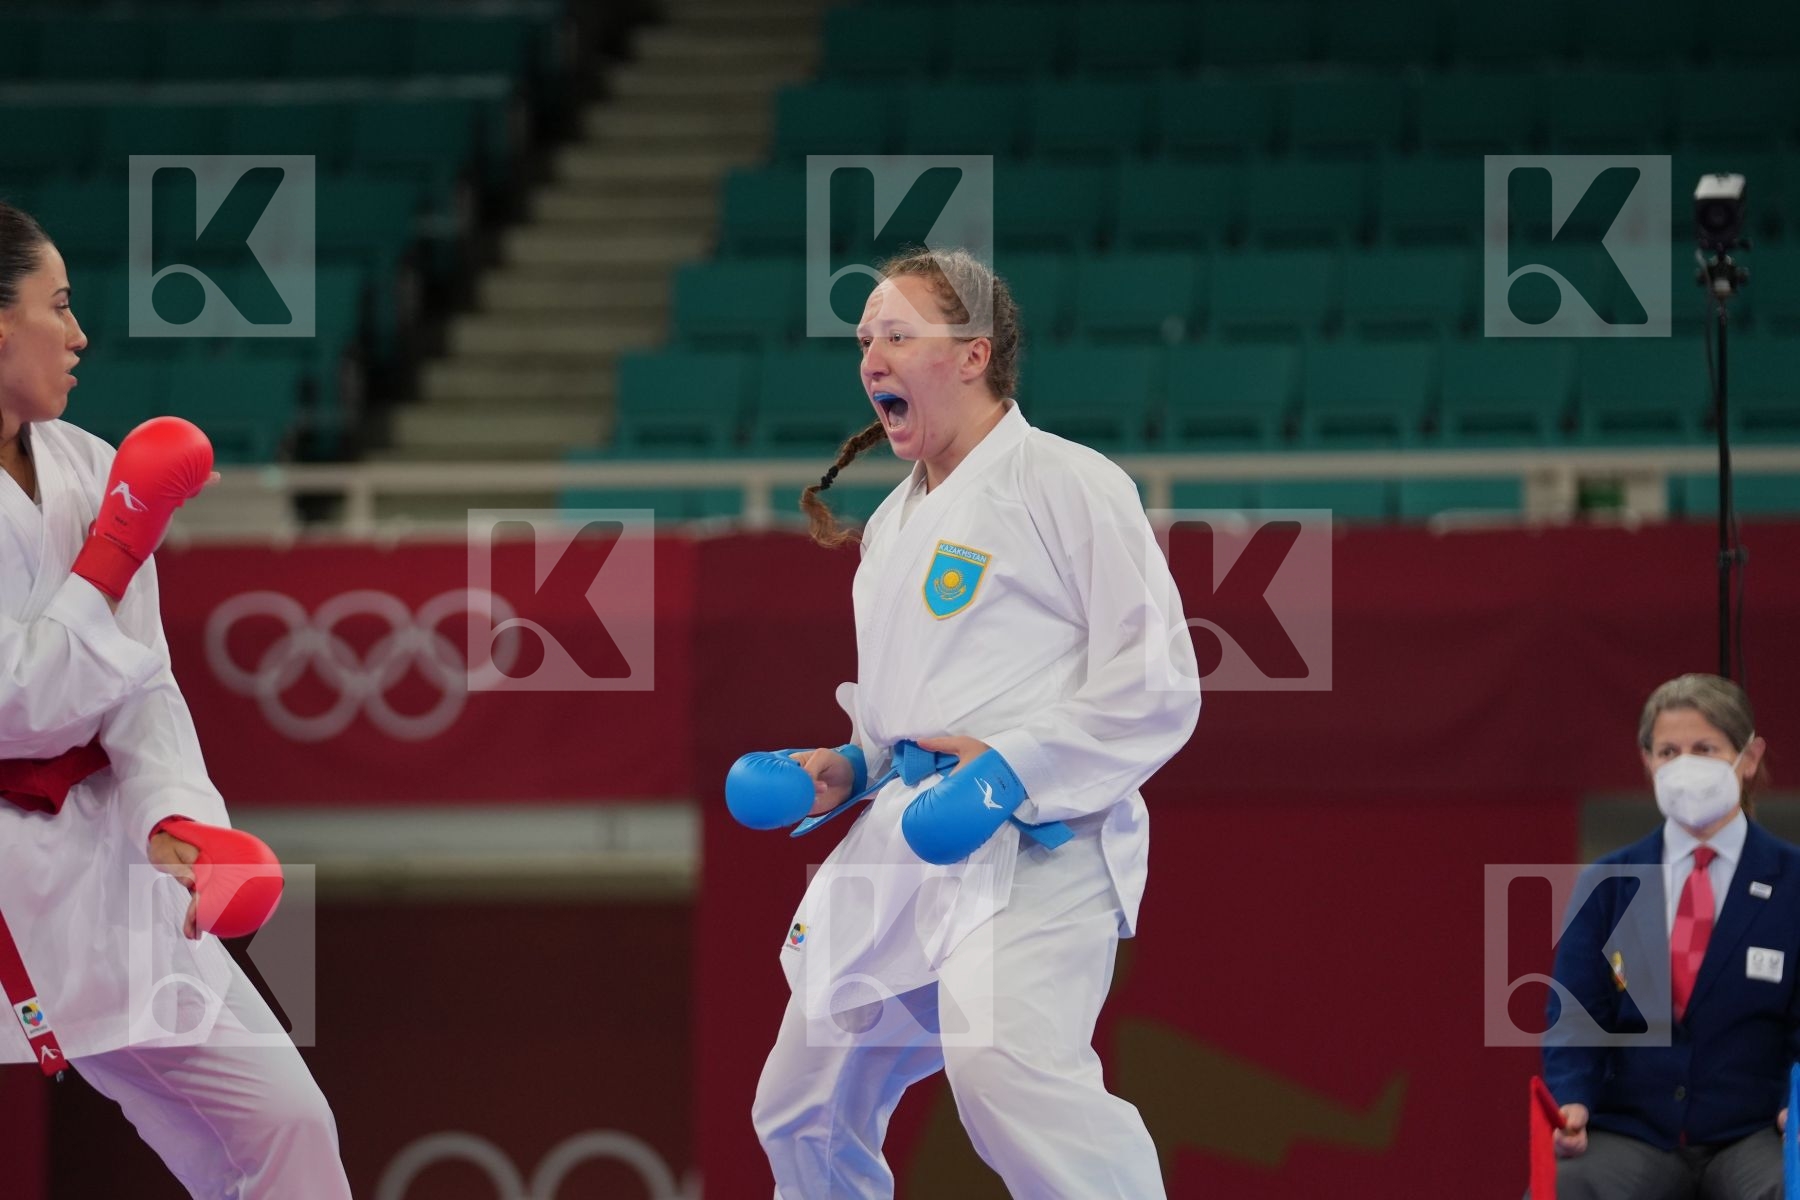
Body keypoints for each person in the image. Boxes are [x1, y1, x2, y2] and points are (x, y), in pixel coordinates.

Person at [728, 248, 1201, 1197]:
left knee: (1006, 1077)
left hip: (1039, 843)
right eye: (865, 340)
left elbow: (1158, 683)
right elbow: (909, 708)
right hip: (911, 839)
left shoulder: (1066, 481)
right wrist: (850, 767)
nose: (871, 358)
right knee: (798, 1103)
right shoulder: (894, 527)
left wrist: (1013, 769)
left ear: (974, 354)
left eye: (897, 335)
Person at [0, 201, 352, 1197]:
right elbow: (15, 703)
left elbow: (141, 679)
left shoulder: (94, 468)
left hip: (110, 869)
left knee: (285, 1126)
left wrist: (185, 821)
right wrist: (112, 553)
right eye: (57, 308)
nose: (78, 336)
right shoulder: (118, 505)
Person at [1540, 673, 1791, 1200]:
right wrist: (1573, 1100)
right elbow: (1576, 1016)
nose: (1685, 767)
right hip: (1636, 1132)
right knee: (1565, 1188)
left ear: (1749, 756)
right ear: (1647, 761)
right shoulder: (1608, 884)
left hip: (1758, 1132)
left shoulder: (1793, 881)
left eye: (1705, 749)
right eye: (1669, 751)